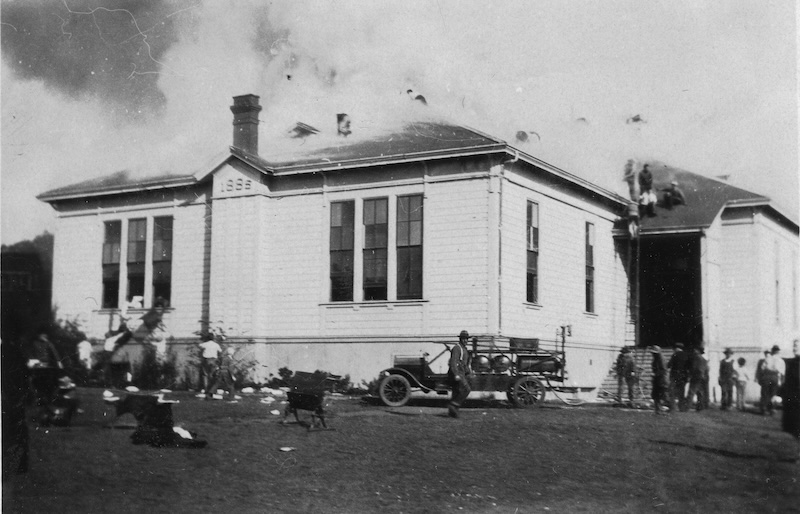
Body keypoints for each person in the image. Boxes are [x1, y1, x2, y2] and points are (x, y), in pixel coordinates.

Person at [26, 333, 63, 425]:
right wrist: (32, 361)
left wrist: (58, 362)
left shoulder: (48, 344)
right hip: (37, 367)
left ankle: (46, 411)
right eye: (42, 335)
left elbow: (54, 353)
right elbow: (30, 353)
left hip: (46, 368)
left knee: (46, 390)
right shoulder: (35, 344)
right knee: (39, 390)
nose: (44, 337)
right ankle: (42, 412)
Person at [780, 339, 800, 462]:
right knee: (793, 427)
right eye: (794, 345)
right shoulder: (791, 363)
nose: (794, 347)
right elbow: (787, 382)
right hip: (793, 400)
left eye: (797, 346)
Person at [447, 330, 473, 418]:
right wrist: (456, 374)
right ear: (460, 339)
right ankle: (453, 406)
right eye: (463, 339)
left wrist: (469, 372)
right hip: (456, 373)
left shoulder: (464, 349)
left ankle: (452, 412)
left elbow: (464, 364)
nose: (465, 340)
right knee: (466, 389)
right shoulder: (457, 348)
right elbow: (453, 362)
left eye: (466, 339)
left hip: (461, 373)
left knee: (457, 391)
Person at [760, 344, 786, 416]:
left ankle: (765, 408)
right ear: (778, 351)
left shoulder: (767, 359)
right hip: (774, 377)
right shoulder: (781, 360)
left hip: (767, 376)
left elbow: (762, 369)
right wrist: (781, 381)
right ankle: (772, 409)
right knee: (773, 393)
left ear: (772, 351)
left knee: (765, 393)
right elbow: (782, 372)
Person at [668, 343, 690, 411]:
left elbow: (669, 365)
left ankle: (673, 407)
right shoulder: (686, 355)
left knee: (672, 392)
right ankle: (681, 407)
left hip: (674, 376)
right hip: (683, 377)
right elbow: (689, 367)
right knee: (681, 393)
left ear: (676, 348)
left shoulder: (674, 355)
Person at [687, 347, 709, 411]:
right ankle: (700, 407)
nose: (694, 350)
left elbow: (694, 368)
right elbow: (706, 369)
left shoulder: (696, 358)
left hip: (696, 377)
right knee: (700, 393)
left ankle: (687, 406)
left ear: (698, 351)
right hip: (702, 378)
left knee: (691, 392)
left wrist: (690, 375)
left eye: (696, 349)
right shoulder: (704, 359)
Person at [650, 346, 669, 414]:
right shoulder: (656, 359)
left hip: (662, 379)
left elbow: (663, 370)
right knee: (655, 395)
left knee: (662, 395)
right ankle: (657, 409)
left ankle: (662, 409)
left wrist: (655, 374)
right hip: (657, 379)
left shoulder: (661, 359)